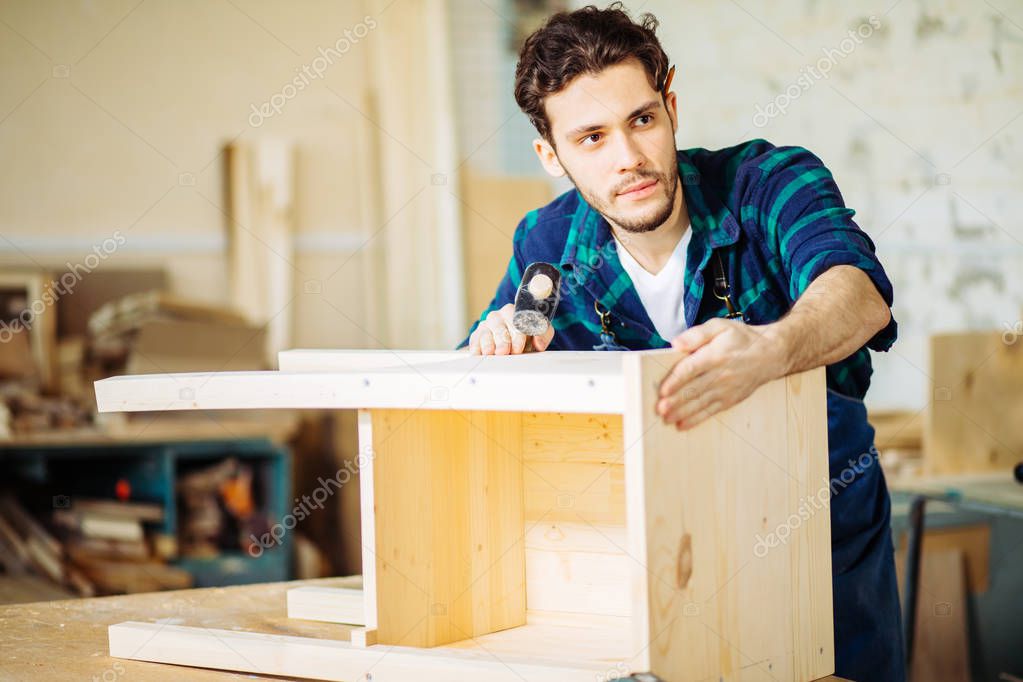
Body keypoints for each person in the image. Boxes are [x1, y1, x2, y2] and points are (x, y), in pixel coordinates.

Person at [457, 4, 904, 681]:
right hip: (648, 542)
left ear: (670, 106)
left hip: (814, 521)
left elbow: (856, 294)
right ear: (550, 154)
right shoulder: (547, 243)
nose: (629, 159)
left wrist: (771, 351)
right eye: (591, 138)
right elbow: (512, 329)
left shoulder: (769, 183)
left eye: (641, 120)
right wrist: (496, 343)